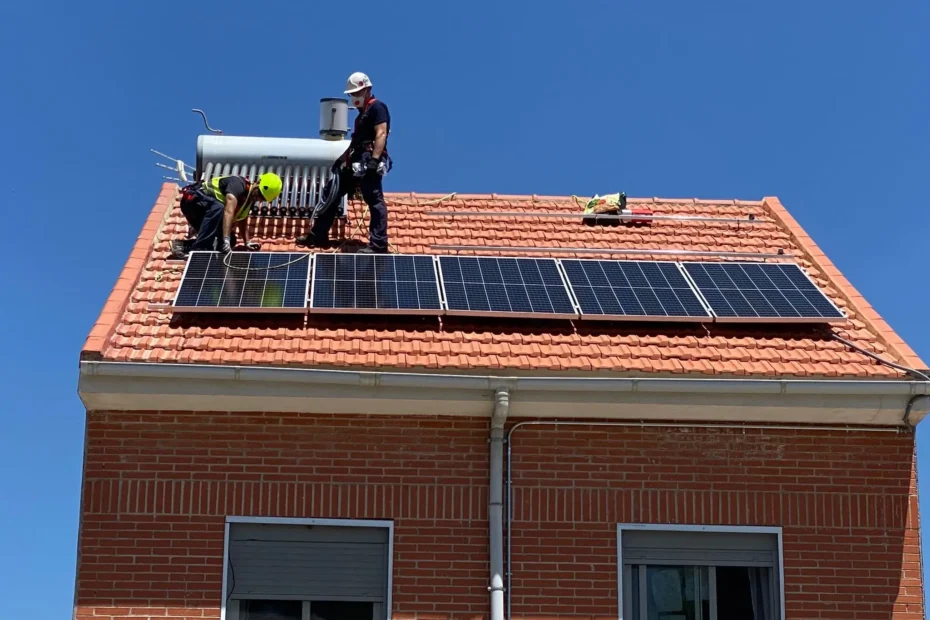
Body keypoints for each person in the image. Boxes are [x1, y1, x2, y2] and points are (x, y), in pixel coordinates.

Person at [297, 72, 392, 254]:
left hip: (368, 160)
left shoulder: (377, 108)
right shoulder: (360, 117)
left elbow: (381, 133)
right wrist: (341, 160)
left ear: (367, 89)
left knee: (374, 199)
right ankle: (319, 235)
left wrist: (375, 160)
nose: (354, 97)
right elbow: (355, 143)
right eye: (352, 94)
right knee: (332, 192)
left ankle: (378, 244)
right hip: (354, 162)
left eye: (357, 92)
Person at [172, 173, 283, 259]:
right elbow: (228, 211)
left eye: (262, 198)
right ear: (258, 183)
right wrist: (225, 238)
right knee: (219, 208)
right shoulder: (238, 184)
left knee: (231, 241)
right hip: (193, 203)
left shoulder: (249, 199)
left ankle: (182, 246)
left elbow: (242, 219)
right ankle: (200, 249)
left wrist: (247, 242)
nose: (258, 198)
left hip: (208, 213)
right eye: (259, 194)